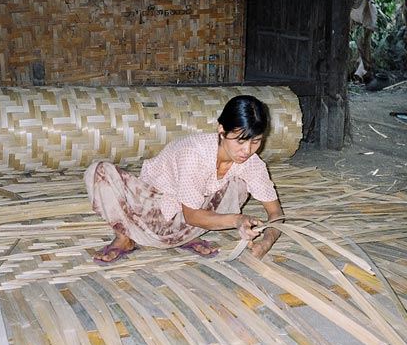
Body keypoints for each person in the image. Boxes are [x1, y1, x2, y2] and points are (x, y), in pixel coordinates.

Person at [84, 95, 284, 264]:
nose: (247, 150)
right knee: (99, 171)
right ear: (221, 131)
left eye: (256, 141)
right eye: (240, 141)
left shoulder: (251, 162)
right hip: (155, 213)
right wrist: (237, 220)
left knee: (239, 183)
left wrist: (267, 241)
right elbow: (191, 216)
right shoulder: (194, 153)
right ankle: (124, 237)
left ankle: (187, 237)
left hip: (190, 224)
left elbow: (275, 213)